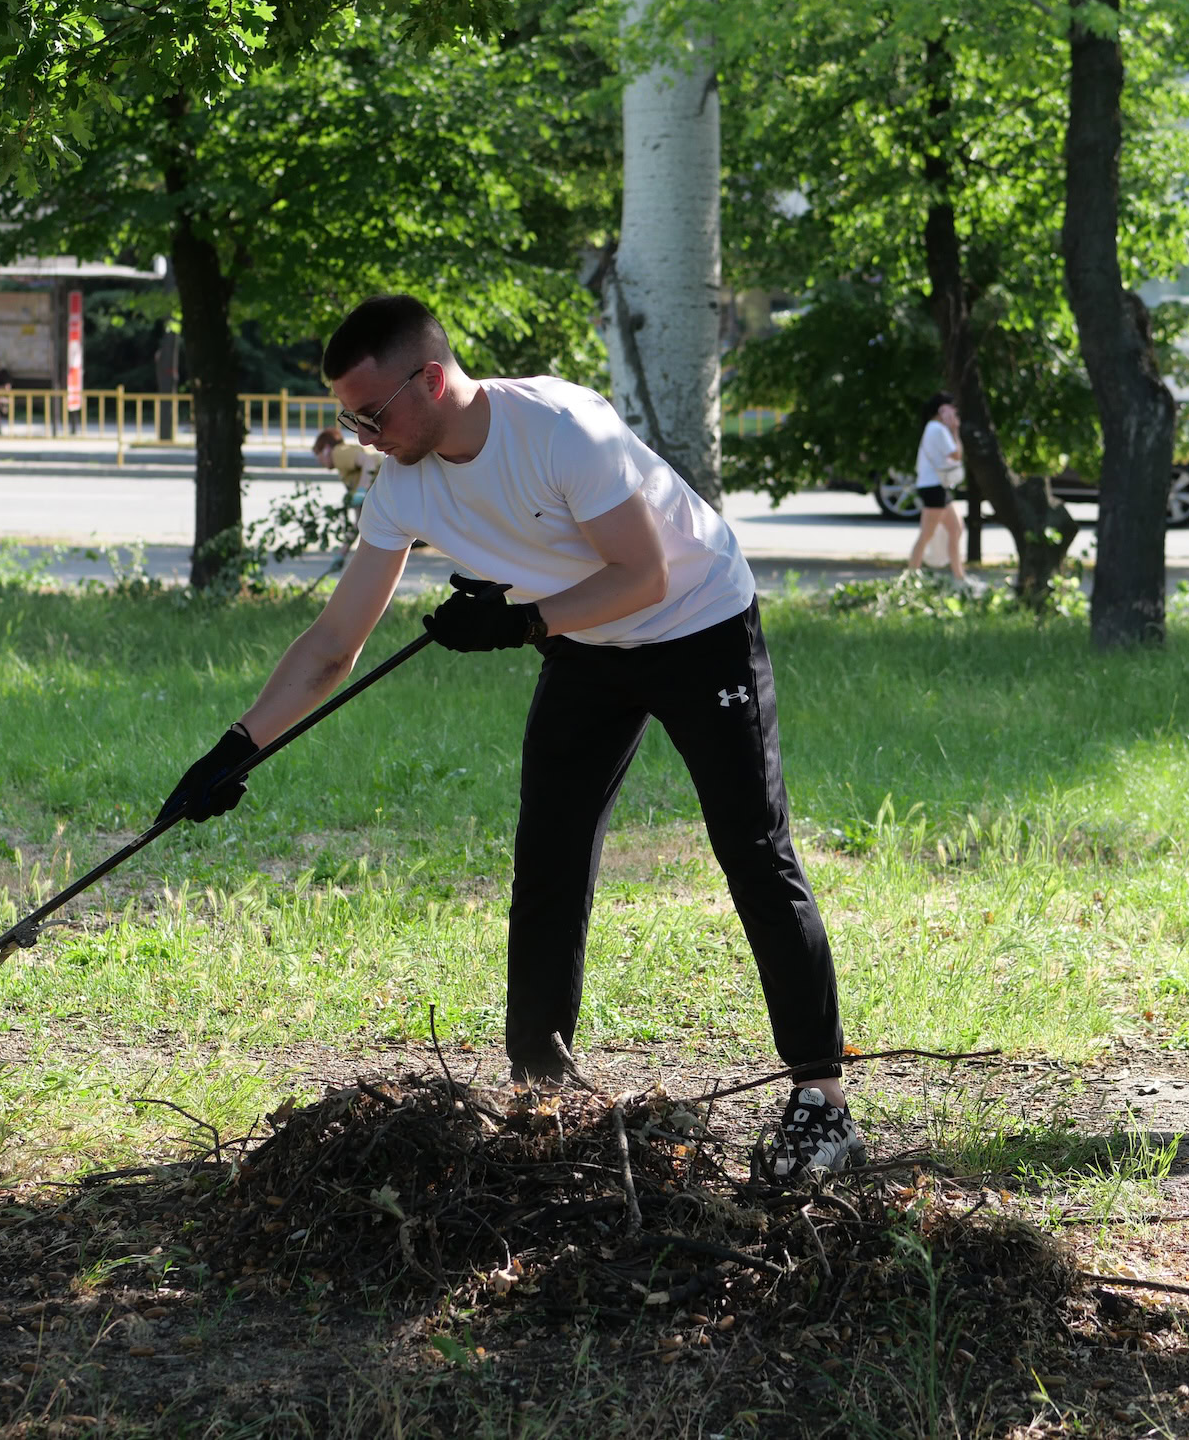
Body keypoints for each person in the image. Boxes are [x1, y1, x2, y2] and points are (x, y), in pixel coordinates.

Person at [158, 294, 865, 1181]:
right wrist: (237, 747)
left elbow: (642, 574)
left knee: (752, 850)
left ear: (435, 378)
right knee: (549, 857)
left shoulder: (562, 430)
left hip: (695, 623)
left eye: (373, 414)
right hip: (584, 642)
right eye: (349, 417)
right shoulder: (403, 482)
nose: (364, 434)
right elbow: (336, 643)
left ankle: (821, 1102)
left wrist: (522, 623)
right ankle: (543, 1092)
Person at [907, 392, 970, 586]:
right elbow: (957, 454)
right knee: (926, 534)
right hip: (934, 487)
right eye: (952, 409)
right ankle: (910, 578)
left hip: (935, 487)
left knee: (956, 528)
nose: (955, 413)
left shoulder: (931, 428)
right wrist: (955, 430)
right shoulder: (938, 429)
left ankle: (959, 577)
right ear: (942, 410)